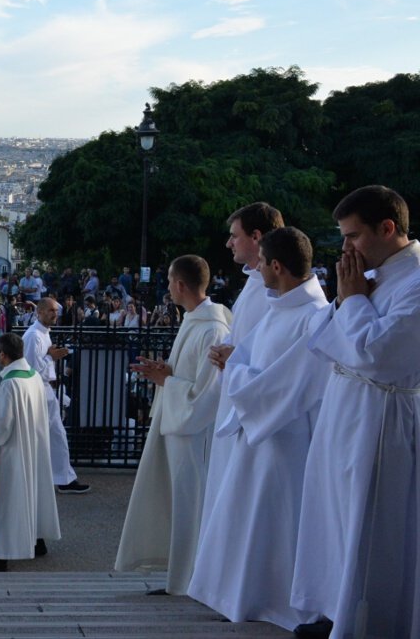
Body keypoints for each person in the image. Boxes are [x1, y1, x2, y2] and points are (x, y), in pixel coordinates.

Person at [291, 186, 420, 639]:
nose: (345, 248)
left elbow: (379, 353)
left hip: (382, 416)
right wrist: (349, 299)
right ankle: (333, 608)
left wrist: (354, 300)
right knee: (334, 514)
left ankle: (366, 621)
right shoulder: (374, 273)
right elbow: (324, 340)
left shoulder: (416, 281)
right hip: (347, 408)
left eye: (353, 236)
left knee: (369, 520)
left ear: (388, 228)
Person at [186, 227, 328, 630]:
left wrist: (234, 367)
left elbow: (287, 384)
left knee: (276, 523)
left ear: (278, 266)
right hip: (261, 432)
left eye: (262, 262)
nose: (257, 269)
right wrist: (233, 356)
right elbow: (257, 354)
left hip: (284, 436)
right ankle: (242, 595)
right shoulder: (281, 305)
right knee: (249, 517)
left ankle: (274, 601)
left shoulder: (314, 316)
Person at [115, 255, 231, 595]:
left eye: (168, 282)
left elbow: (207, 395)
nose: (167, 287)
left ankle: (189, 582)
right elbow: (187, 375)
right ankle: (178, 578)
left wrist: (167, 381)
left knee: (190, 506)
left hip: (192, 435)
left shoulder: (213, 327)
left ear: (180, 285)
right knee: (177, 506)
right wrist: (166, 371)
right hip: (177, 429)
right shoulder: (195, 320)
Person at [199, 202, 283, 547]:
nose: (229, 244)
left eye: (235, 236)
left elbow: (277, 350)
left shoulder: (276, 289)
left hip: (257, 408)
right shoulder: (253, 283)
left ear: (257, 237)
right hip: (237, 395)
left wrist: (236, 357)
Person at [0, 332, 61, 571]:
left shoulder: (9, 384)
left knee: (4, 500)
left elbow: (0, 427)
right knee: (32, 493)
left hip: (12, 453)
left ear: (2, 355)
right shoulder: (32, 376)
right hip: (33, 447)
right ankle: (36, 539)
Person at [24, 298, 90, 494]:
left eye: (56, 311)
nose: (55, 314)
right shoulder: (34, 336)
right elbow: (30, 368)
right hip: (36, 391)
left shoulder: (44, 334)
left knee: (56, 434)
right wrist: (51, 357)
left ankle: (64, 478)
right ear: (40, 312)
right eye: (51, 311)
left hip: (45, 390)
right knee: (23, 433)